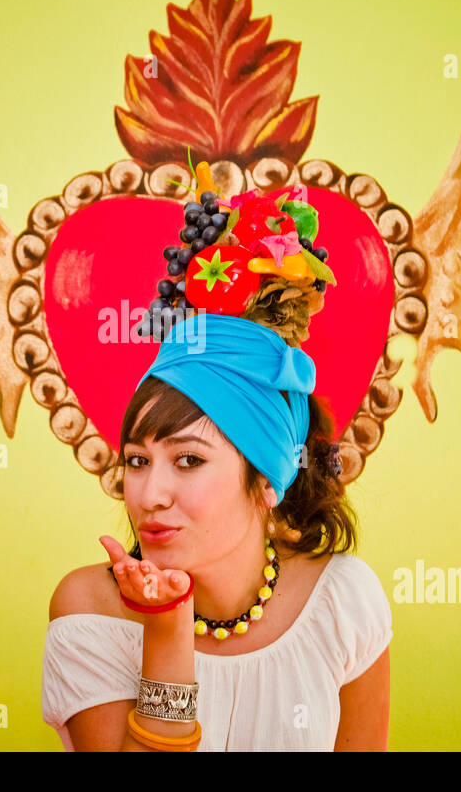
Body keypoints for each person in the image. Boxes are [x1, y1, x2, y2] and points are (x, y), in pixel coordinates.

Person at [41, 312, 392, 751]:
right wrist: (168, 630)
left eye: (189, 460)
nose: (151, 496)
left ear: (266, 480)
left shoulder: (343, 602)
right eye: (137, 461)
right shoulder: (90, 611)